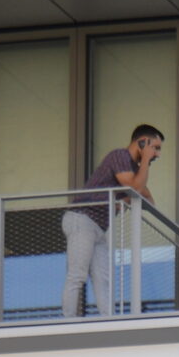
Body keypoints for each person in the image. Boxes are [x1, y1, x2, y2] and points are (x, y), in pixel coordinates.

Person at [63, 124, 162, 318]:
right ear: (142, 142)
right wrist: (144, 163)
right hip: (82, 218)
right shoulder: (120, 156)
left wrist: (121, 200)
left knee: (103, 279)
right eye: (155, 148)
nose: (157, 154)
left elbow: (148, 199)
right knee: (78, 275)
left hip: (99, 227)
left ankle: (109, 320)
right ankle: (67, 322)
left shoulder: (133, 169)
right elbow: (135, 189)